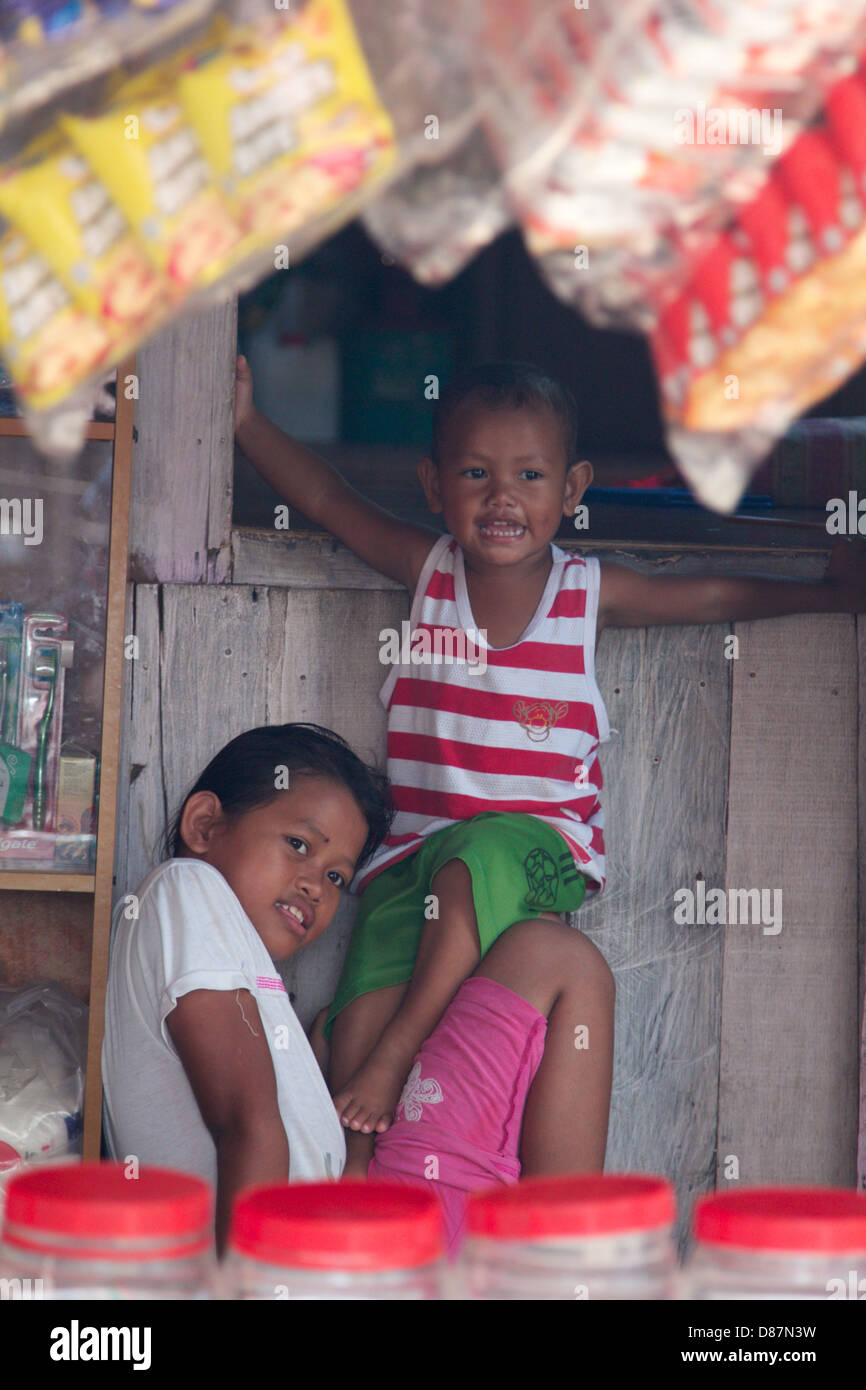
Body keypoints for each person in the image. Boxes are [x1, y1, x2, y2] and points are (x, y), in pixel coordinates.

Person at [235, 355, 866, 1239]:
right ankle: (372, 1184)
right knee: (360, 1020)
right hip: (410, 864)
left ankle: (400, 1064)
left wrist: (828, 591)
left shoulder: (586, 596)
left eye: (530, 475)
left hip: (533, 857)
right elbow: (334, 502)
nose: (503, 496)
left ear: (572, 488)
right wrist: (243, 424)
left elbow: (710, 593)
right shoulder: (429, 576)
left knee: (473, 866)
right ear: (433, 484)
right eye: (476, 473)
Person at [102, 723, 391, 1252]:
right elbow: (247, 1127)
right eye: (299, 844)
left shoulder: (236, 963)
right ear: (205, 825)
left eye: (336, 878)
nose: (315, 886)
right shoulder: (186, 890)